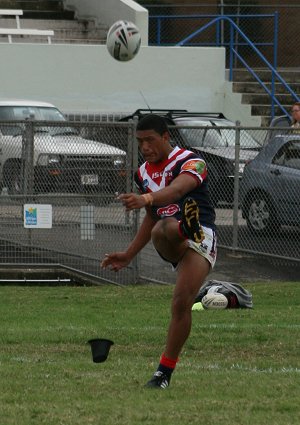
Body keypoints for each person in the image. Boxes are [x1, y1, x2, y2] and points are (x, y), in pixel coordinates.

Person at [101, 114, 217, 389]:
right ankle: (185, 229)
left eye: (150, 140)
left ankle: (163, 374)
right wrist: (129, 254)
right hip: (171, 236)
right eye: (140, 141)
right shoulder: (142, 173)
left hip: (204, 237)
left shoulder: (192, 161)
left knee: (180, 303)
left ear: (166, 137)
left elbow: (178, 190)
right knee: (161, 226)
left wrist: (147, 198)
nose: (145, 147)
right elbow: (151, 216)